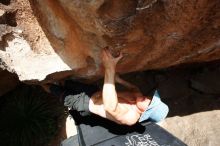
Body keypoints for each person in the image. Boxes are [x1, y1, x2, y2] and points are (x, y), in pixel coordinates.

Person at [42, 48, 169, 126]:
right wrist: (120, 80)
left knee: (56, 91)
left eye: (150, 103)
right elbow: (134, 88)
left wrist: (110, 68)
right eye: (151, 98)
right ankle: (60, 82)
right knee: (68, 83)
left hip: (85, 103)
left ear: (145, 113)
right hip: (92, 91)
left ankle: (42, 85)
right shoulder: (140, 98)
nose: (147, 98)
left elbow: (110, 106)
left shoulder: (129, 118)